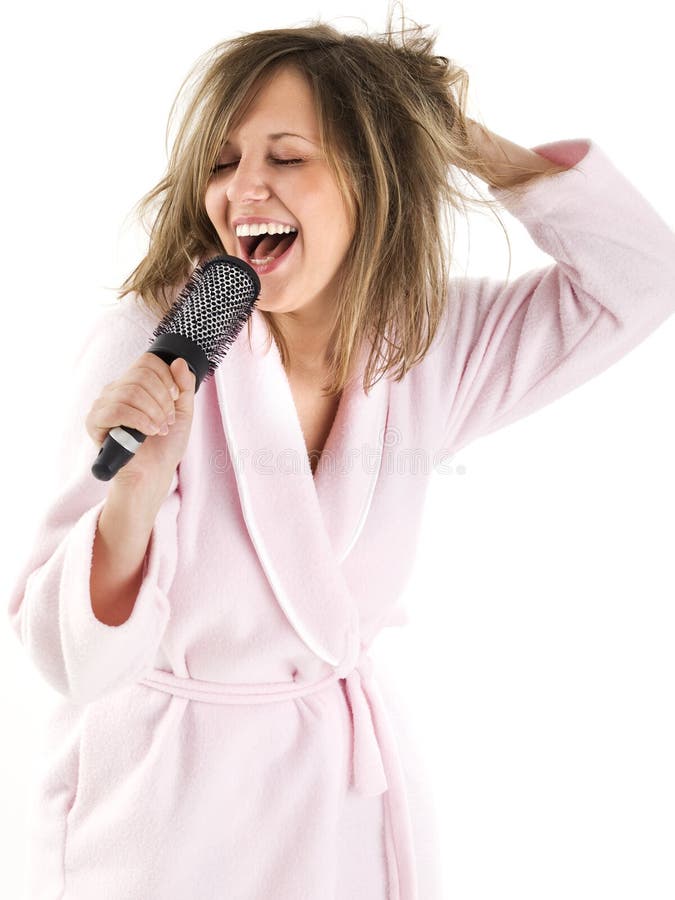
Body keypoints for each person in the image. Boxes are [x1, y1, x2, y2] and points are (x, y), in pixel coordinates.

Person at [7, 14, 675, 900]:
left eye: (286, 158)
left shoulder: (427, 347)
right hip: (158, 822)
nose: (243, 188)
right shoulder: (152, 349)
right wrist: (135, 490)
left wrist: (446, 135)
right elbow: (68, 664)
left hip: (334, 818)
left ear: (375, 177)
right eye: (221, 162)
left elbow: (637, 275)